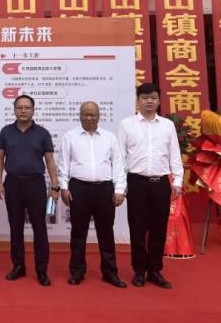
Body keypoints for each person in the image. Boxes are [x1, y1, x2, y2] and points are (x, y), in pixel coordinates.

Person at [118, 82, 183, 289]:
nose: (149, 101)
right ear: (138, 100)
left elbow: (174, 155)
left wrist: (178, 181)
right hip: (136, 182)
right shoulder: (127, 125)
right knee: (137, 228)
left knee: (158, 228)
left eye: (153, 97)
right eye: (145, 98)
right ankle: (139, 270)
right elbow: (121, 157)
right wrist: (120, 185)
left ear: (159, 100)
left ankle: (155, 269)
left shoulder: (167, 125)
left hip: (160, 183)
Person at [57, 102, 127, 288]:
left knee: (106, 233)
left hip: (104, 190)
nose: (89, 118)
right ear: (79, 115)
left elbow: (118, 165)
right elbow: (63, 164)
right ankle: (77, 272)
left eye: (92, 114)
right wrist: (64, 187)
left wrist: (119, 189)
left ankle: (110, 273)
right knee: (78, 233)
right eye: (85, 114)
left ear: (99, 116)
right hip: (78, 189)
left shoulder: (110, 137)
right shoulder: (70, 136)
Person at [0, 94, 59, 287]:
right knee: (15, 228)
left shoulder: (43, 133)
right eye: (19, 107)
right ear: (14, 110)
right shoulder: (6, 132)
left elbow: (50, 161)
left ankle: (42, 270)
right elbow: (0, 158)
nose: (23, 110)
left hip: (36, 184)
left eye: (27, 107)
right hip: (13, 184)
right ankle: (18, 266)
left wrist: (55, 186)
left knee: (40, 228)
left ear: (33, 110)